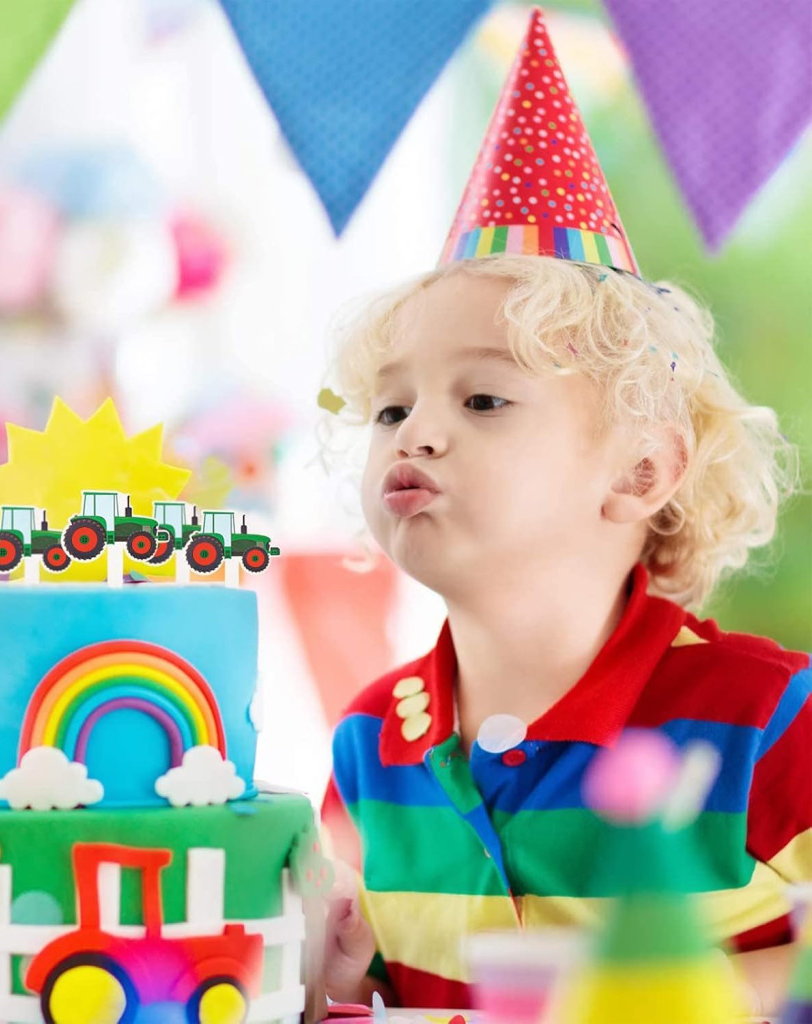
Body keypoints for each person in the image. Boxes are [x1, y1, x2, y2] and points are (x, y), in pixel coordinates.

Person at [319, 8, 810, 1016]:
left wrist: (645, 997)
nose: (415, 434)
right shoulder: (369, 745)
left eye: (483, 400)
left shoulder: (767, 718)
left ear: (640, 472)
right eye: (391, 409)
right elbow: (368, 986)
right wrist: (330, 982)